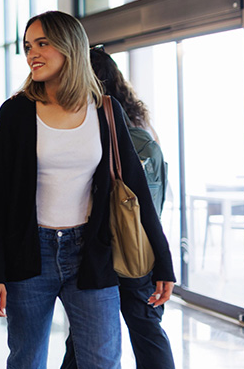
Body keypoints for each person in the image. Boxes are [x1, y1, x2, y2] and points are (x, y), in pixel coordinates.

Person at [0, 11, 176, 369]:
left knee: (101, 360)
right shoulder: (16, 112)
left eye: (42, 44)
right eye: (27, 46)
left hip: (91, 251)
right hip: (29, 253)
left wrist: (163, 262)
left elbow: (138, 191)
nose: (32, 54)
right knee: (27, 360)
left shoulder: (105, 110)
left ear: (70, 47)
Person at [60, 46, 175, 369]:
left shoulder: (100, 124)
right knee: (146, 331)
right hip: (139, 247)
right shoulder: (142, 126)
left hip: (103, 245)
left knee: (85, 336)